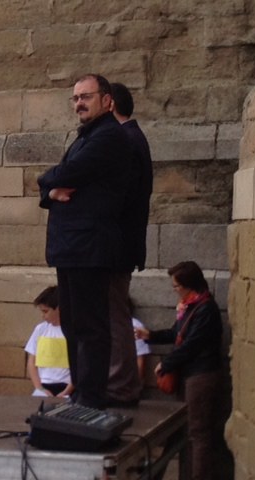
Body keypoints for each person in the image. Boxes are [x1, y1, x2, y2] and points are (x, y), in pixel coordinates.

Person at [37, 73, 132, 409]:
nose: (79, 103)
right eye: (76, 98)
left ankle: (91, 397)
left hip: (90, 246)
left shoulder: (108, 136)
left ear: (106, 100)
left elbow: (65, 173)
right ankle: (81, 393)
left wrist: (45, 180)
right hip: (72, 247)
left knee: (90, 326)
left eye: (86, 97)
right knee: (73, 325)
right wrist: (50, 191)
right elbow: (58, 181)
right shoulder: (86, 136)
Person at [134, 261, 232, 480]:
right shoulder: (189, 307)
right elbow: (176, 334)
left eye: (177, 286)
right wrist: (151, 335)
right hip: (189, 374)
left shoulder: (206, 309)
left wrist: (167, 363)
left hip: (201, 374)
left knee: (198, 432)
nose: (175, 290)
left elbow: (192, 344)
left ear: (189, 285)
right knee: (187, 431)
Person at [105, 82, 154, 406]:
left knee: (114, 316)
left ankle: (119, 386)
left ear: (109, 104)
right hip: (119, 244)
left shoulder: (126, 139)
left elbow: (118, 196)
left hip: (116, 245)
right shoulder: (131, 138)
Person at [24, 286, 73, 398]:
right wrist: (39, 387)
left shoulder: (72, 332)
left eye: (45, 311)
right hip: (44, 385)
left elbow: (80, 366)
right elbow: (32, 362)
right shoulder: (40, 329)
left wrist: (67, 391)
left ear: (59, 309)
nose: (43, 316)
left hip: (67, 387)